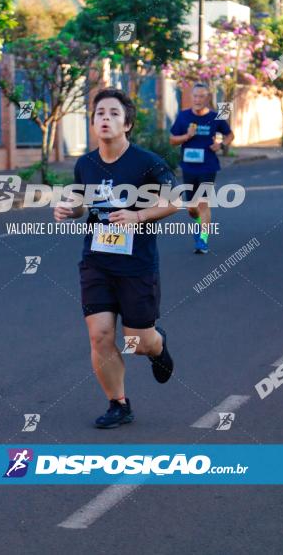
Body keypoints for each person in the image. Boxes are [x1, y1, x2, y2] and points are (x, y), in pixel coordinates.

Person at [54, 88, 178, 429]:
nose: (104, 119)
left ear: (127, 124)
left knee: (137, 343)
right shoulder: (86, 164)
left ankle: (157, 345)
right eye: (99, 114)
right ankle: (118, 404)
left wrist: (137, 217)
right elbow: (83, 203)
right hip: (96, 260)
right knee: (100, 335)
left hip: (136, 264)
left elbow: (176, 200)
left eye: (112, 113)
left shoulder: (147, 162)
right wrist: (70, 209)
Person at [169, 82, 234, 254]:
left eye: (201, 96)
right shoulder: (183, 116)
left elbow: (230, 135)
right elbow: (172, 140)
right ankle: (199, 225)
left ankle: (203, 240)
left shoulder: (215, 117)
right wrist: (187, 136)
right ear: (192, 97)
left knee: (204, 203)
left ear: (207, 98)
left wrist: (220, 145)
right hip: (188, 167)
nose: (197, 99)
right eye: (195, 96)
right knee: (192, 207)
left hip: (208, 166)